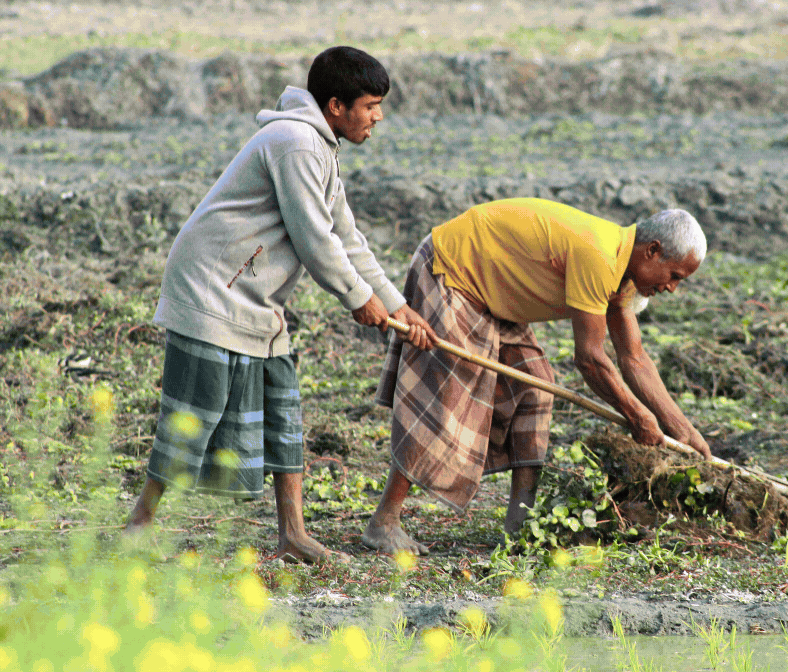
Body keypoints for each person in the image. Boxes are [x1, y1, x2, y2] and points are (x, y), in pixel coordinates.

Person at [123, 46, 435, 563]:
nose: (378, 117)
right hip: (214, 287)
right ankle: (139, 525)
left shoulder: (321, 147)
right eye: (370, 105)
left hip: (256, 295)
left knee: (283, 410)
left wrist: (396, 305)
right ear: (336, 106)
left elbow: (348, 238)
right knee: (194, 412)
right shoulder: (296, 143)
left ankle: (293, 534)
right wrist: (359, 300)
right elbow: (315, 240)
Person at [363, 198, 712, 555]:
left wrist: (683, 429)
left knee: (535, 388)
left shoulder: (624, 274)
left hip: (494, 292)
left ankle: (519, 528)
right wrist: (637, 416)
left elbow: (634, 358)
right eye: (674, 276)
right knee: (448, 393)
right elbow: (591, 360)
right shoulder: (600, 254)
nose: (672, 288)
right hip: (453, 270)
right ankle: (384, 522)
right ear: (652, 251)